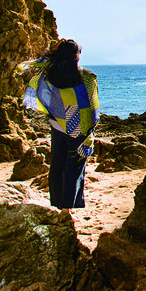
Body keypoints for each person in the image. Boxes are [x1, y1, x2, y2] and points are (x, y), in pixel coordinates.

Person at [16, 39, 100, 209]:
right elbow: (93, 106)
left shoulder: (49, 75)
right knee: (74, 169)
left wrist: (51, 52)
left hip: (57, 125)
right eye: (79, 53)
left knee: (57, 166)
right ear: (76, 57)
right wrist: (91, 129)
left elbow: (32, 66)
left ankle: (56, 205)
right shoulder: (88, 77)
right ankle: (68, 208)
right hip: (79, 129)